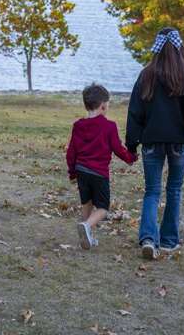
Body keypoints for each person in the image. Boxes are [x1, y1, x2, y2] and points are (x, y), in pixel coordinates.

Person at [126, 28, 184, 259]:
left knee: (152, 191)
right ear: (179, 47)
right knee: (174, 190)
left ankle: (149, 238)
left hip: (151, 140)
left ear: (157, 48)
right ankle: (170, 240)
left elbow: (135, 112)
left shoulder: (146, 75)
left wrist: (132, 144)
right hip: (179, 142)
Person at [67, 83, 137, 250]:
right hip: (99, 173)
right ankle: (86, 227)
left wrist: (72, 172)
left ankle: (86, 238)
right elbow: (118, 148)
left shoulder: (78, 125)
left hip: (82, 171)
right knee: (103, 208)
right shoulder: (109, 126)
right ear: (104, 105)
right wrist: (130, 157)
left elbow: (71, 151)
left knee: (87, 203)